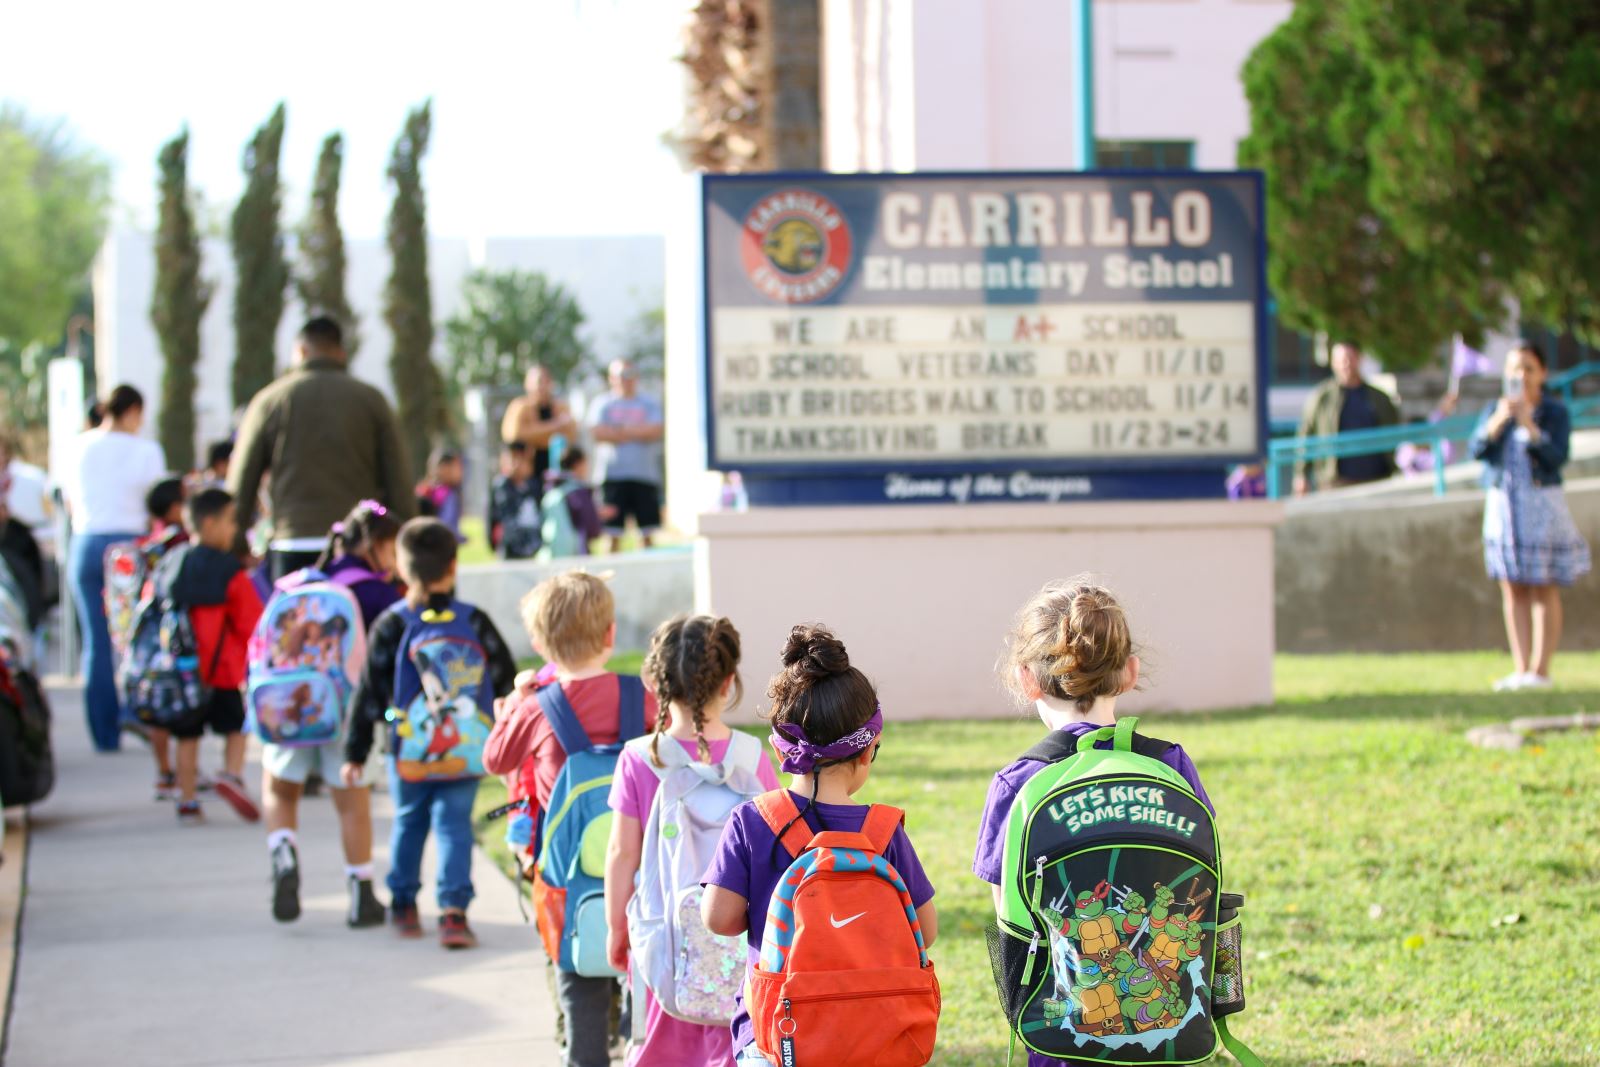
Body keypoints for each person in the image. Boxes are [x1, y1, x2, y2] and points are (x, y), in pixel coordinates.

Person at [971, 579, 1213, 1067]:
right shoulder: (1172, 766)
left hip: (1062, 1039)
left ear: (1026, 679)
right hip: (1172, 1034)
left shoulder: (1019, 783)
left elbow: (1009, 922)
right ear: (1129, 672)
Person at [700, 625, 937, 1067]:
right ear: (867, 752)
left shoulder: (752, 821)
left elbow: (718, 918)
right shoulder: (883, 832)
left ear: (779, 749)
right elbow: (926, 930)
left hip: (777, 1036)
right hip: (874, 1035)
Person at [483, 571, 659, 1067]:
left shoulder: (536, 708)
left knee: (574, 980)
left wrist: (515, 704)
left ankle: (581, 1050)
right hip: (640, 866)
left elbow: (494, 760)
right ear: (610, 634)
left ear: (539, 644)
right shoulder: (639, 696)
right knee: (640, 979)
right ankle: (633, 1044)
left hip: (563, 878)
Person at [603, 615, 780, 1067]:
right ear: (729, 680)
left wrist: (616, 929)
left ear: (653, 680)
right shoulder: (751, 757)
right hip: (742, 945)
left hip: (663, 943)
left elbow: (623, 854)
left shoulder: (639, 759)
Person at [343, 519, 516, 947]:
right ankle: (454, 912)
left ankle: (403, 905)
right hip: (467, 748)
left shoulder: (391, 624)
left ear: (401, 569)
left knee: (408, 822)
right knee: (455, 826)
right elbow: (506, 681)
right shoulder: (474, 621)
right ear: (453, 566)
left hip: (407, 752)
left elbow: (368, 691)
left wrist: (355, 751)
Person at [263, 500, 401, 926]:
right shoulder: (378, 592)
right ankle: (360, 892)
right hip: (343, 710)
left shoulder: (298, 586)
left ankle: (283, 852)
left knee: (281, 790)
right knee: (351, 800)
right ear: (377, 546)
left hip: (289, 707)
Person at [229, 316, 415, 582]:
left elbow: (242, 479)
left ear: (301, 351)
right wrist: (403, 543)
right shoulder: (372, 400)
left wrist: (236, 544)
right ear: (341, 353)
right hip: (358, 548)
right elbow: (398, 479)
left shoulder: (270, 401)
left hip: (292, 542)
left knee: (295, 621)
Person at [1471, 342, 1591, 691]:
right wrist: (1499, 421)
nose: (1520, 375)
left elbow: (1557, 456)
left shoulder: (1554, 412)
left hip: (1541, 506)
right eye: (1513, 368)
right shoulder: (1496, 409)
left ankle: (1540, 671)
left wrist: (1530, 426)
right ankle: (1520, 668)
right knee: (1513, 587)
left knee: (1542, 585)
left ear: (1542, 373)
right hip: (1504, 507)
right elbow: (1478, 450)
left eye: (1527, 367)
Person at [65, 384, 167, 752]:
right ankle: (138, 713)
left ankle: (104, 733)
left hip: (86, 542)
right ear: (133, 411)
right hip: (129, 548)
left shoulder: (78, 445)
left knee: (96, 643)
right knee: (135, 638)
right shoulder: (146, 450)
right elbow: (158, 501)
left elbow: (68, 501)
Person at [154, 488, 264, 823]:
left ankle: (187, 800)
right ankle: (231, 774)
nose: (235, 530)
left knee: (187, 737)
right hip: (223, 670)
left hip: (183, 670)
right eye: (231, 522)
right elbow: (251, 620)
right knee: (235, 727)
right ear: (210, 522)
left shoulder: (172, 562)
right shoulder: (229, 570)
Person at [135, 476, 189, 801]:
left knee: (157, 707)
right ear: (174, 508)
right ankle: (187, 778)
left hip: (146, 637)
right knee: (182, 710)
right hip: (176, 635)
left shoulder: (146, 542)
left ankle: (165, 772)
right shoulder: (180, 541)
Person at [1293, 342, 1400, 494]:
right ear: (1333, 363)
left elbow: (1395, 433)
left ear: (1359, 359)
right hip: (1335, 483)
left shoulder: (1379, 398)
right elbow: (1306, 435)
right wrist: (1301, 474)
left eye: (1350, 358)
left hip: (1377, 480)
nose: (1346, 364)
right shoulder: (1321, 398)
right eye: (1341, 360)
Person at [587, 360, 665, 551]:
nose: (626, 380)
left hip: (644, 475)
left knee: (647, 532)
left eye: (630, 375)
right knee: (612, 535)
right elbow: (597, 432)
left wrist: (618, 431)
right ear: (611, 378)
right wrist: (637, 431)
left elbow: (655, 431)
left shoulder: (649, 403)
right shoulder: (602, 403)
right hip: (612, 477)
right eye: (621, 375)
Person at [501, 364, 576, 492]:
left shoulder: (561, 407)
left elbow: (570, 434)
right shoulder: (519, 407)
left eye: (545, 381)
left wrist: (536, 433)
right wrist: (554, 426)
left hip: (555, 468)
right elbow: (514, 435)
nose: (541, 386)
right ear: (527, 384)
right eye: (537, 381)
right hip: (528, 470)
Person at [537, 447, 604, 560]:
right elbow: (592, 526)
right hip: (576, 553)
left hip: (551, 553)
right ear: (578, 464)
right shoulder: (579, 491)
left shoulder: (551, 489)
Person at [490, 442, 542, 560]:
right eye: (513, 459)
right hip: (510, 549)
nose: (518, 464)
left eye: (523, 460)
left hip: (534, 547)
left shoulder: (534, 486)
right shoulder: (502, 487)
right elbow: (498, 518)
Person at [415, 445, 465, 540]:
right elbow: (447, 524)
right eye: (457, 467)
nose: (460, 472)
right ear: (444, 468)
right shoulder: (446, 495)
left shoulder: (426, 489)